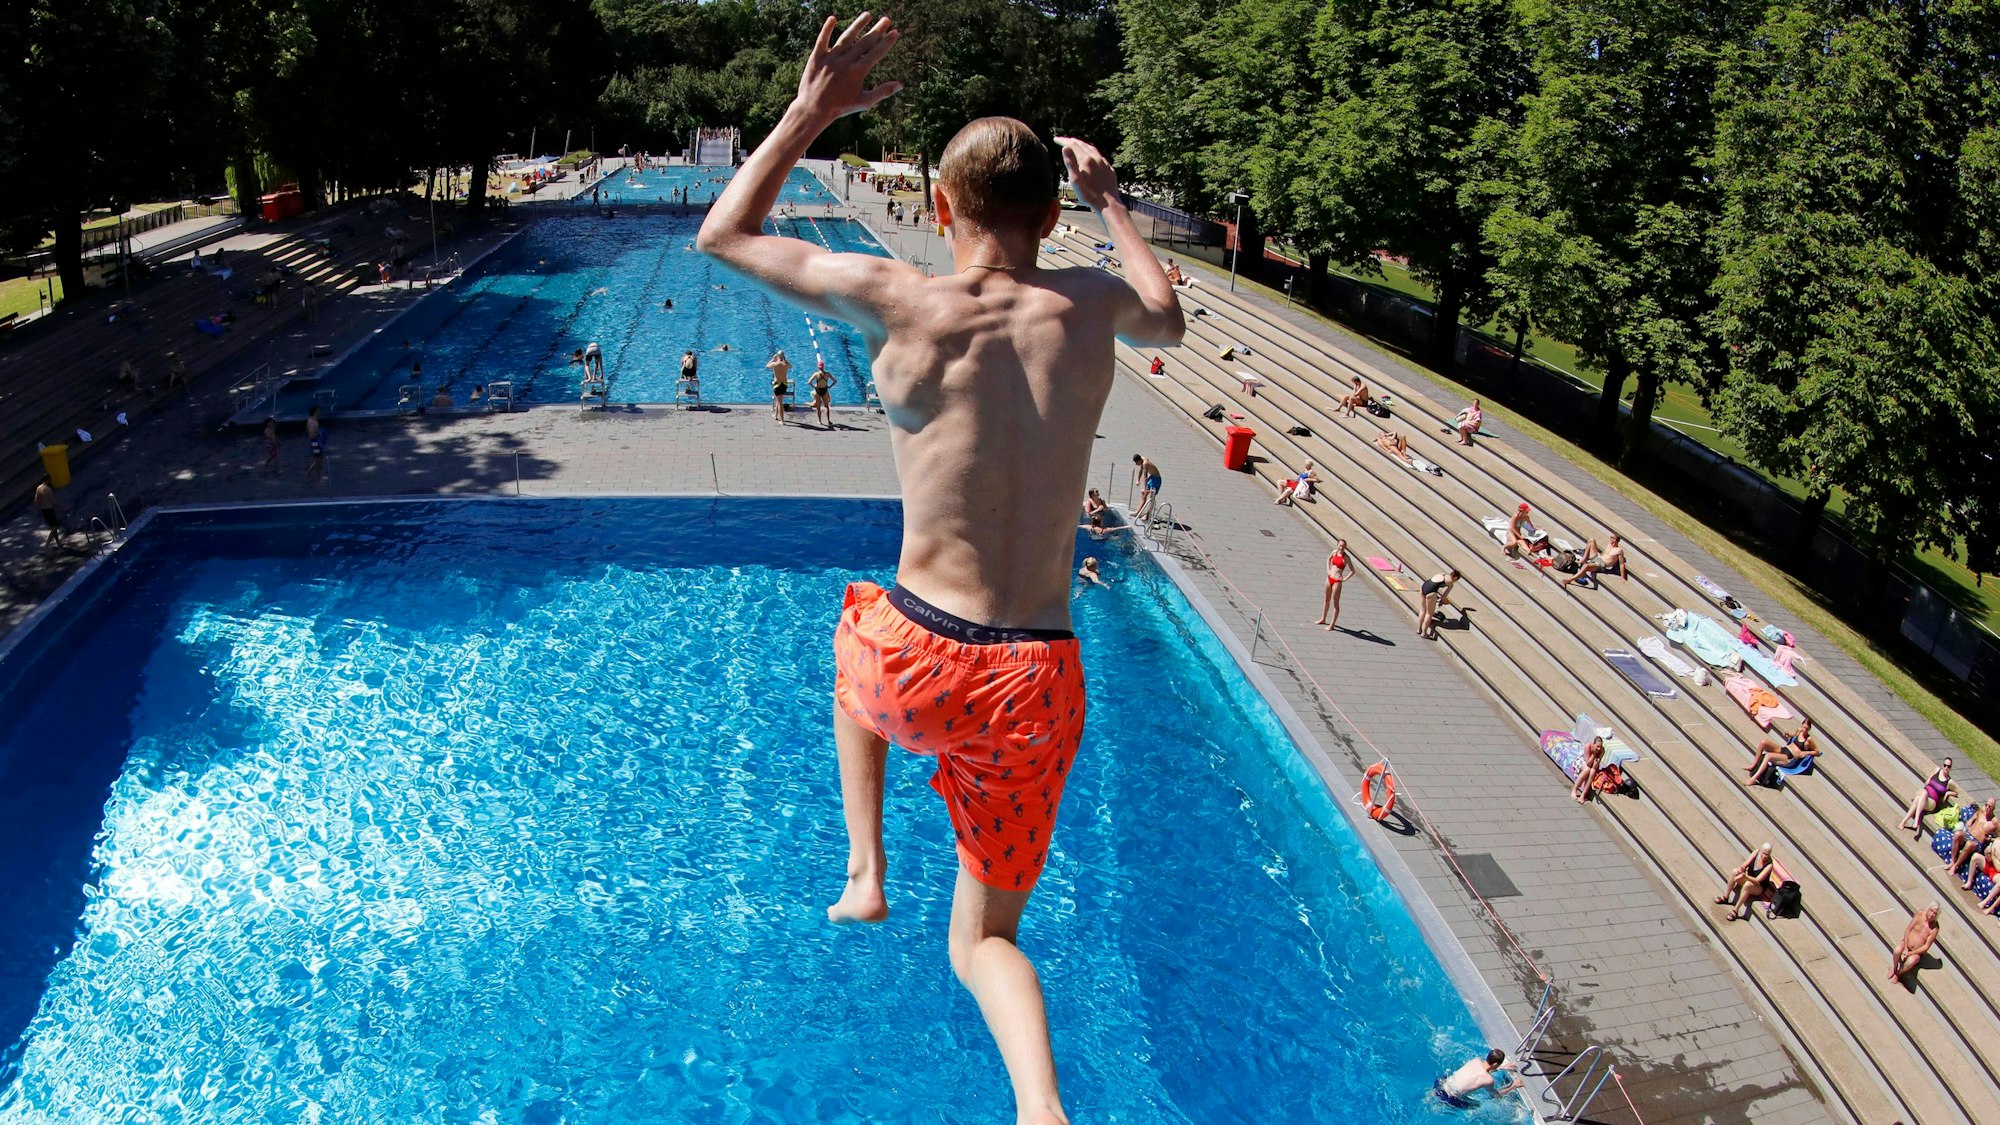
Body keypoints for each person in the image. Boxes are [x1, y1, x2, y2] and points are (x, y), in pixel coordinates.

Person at [696, 18, 1183, 1120]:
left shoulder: (895, 296)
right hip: (1033, 680)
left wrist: (813, 111)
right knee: (986, 939)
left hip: (912, 658)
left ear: (940, 208)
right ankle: (1040, 1110)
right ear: (1051, 216)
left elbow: (722, 236)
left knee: (855, 634)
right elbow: (1171, 317)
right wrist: (1112, 199)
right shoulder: (1090, 304)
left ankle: (864, 871)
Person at [1435, 1049, 1522, 1108]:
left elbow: (1482, 1070)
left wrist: (1502, 1067)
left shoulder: (1476, 1060)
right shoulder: (1488, 1080)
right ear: (1495, 1064)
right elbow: (1496, 1095)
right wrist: (1513, 1085)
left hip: (1440, 1085)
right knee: (1478, 1106)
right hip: (1450, 1098)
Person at [1745, 718, 1819, 787]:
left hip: (1789, 758)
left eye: (1807, 729)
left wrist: (1806, 753)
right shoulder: (1799, 731)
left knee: (1768, 756)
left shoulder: (1809, 739)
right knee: (1763, 742)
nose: (1804, 730)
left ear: (1809, 729)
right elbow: (1793, 735)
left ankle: (1754, 779)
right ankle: (1753, 765)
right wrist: (1788, 734)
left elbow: (1817, 751)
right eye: (1804, 727)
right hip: (1784, 750)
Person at [1899, 758, 1961, 839]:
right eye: (1945, 765)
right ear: (1942, 765)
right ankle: (1910, 822)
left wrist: (1948, 793)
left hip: (1932, 802)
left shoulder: (1949, 781)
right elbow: (1927, 781)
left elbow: (1957, 792)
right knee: (1922, 794)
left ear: (1950, 768)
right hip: (1924, 793)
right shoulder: (1936, 770)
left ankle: (1905, 822)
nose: (1946, 768)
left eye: (1948, 766)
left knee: (1919, 798)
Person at [1715, 843, 1778, 920]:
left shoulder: (1769, 865)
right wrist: (1741, 869)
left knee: (1748, 885)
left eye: (1767, 855)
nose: (1764, 856)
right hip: (1749, 878)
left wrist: (1745, 876)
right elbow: (1745, 864)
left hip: (1758, 886)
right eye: (1763, 853)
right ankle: (1725, 897)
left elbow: (1757, 880)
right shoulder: (1756, 852)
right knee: (1735, 872)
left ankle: (1735, 910)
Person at [1950, 797, 1999, 887]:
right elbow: (1976, 814)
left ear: (1993, 808)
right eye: (1986, 805)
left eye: (1990, 806)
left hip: (1977, 843)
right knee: (1957, 834)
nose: (1987, 807)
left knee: (1969, 845)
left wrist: (1991, 839)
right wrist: (1971, 820)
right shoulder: (1982, 810)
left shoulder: (1995, 822)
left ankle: (1955, 866)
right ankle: (1952, 861)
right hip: (1968, 834)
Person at [1887, 904, 1940, 983]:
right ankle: (1894, 969)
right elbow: (1908, 929)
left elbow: (1926, 946)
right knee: (1897, 950)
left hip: (1916, 952)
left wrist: (1911, 953)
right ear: (1928, 909)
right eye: (1931, 911)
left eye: (1935, 913)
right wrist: (1905, 948)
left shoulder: (1935, 928)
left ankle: (1898, 973)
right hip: (1906, 943)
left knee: (1911, 962)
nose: (1932, 914)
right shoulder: (1920, 914)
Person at [1561, 534, 1628, 587]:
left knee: (1586, 566)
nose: (1610, 539)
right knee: (1591, 540)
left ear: (1616, 540)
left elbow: (1621, 564)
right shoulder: (1609, 545)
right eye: (1610, 537)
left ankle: (1570, 580)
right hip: (1598, 558)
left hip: (1601, 564)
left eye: (1612, 538)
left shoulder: (1619, 550)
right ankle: (1584, 559)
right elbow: (1605, 554)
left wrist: (1623, 577)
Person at [1317, 538, 1353, 630]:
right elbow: (1328, 559)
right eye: (1340, 545)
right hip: (1329, 578)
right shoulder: (1334, 552)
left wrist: (1344, 578)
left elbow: (1352, 571)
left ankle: (1332, 624)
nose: (1341, 548)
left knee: (1335, 603)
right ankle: (1323, 618)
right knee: (1326, 600)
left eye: (1343, 546)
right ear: (1337, 545)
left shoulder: (1346, 558)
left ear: (1345, 547)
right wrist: (1328, 569)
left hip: (1337, 580)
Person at [1417, 569, 1459, 639]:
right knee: (1429, 614)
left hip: (1424, 586)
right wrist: (1441, 601)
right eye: (1456, 580)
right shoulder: (1451, 583)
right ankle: (1424, 633)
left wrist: (1436, 597)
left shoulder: (1443, 574)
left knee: (1423, 610)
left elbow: (1434, 584)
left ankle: (1418, 629)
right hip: (1431, 592)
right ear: (1455, 578)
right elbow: (1444, 596)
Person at [1571, 735, 1607, 803]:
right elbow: (1588, 763)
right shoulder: (1588, 746)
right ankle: (1574, 790)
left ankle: (1583, 795)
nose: (1599, 748)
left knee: (1592, 772)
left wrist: (1596, 762)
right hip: (1582, 760)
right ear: (1593, 744)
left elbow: (1595, 766)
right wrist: (1593, 754)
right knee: (1587, 769)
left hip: (1591, 763)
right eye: (1597, 746)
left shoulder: (1602, 750)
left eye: (1600, 746)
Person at [1132, 453, 1163, 521]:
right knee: (1144, 496)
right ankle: (1137, 512)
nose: (1136, 464)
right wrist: (1137, 479)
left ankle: (1148, 516)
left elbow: (1145, 477)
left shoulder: (1145, 463)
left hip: (1156, 480)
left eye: (1136, 463)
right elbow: (1140, 470)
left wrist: (1145, 488)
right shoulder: (1142, 459)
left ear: (1139, 460)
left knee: (1151, 498)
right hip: (1152, 478)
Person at [809, 357, 837, 426]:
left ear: (818, 367)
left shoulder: (816, 374)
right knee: (826, 406)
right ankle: (828, 421)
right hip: (824, 390)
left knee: (818, 407)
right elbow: (835, 381)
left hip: (817, 390)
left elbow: (809, 382)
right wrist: (830, 386)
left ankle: (820, 421)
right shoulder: (827, 374)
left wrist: (814, 386)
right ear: (823, 367)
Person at [768, 349, 793, 423]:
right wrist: (785, 360)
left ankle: (782, 420)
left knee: (780, 402)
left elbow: (767, 366)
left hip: (777, 385)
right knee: (778, 400)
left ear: (778, 356)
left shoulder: (775, 364)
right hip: (784, 384)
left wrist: (773, 359)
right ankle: (776, 415)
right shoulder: (785, 364)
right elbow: (791, 366)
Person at [32, 479, 59, 548]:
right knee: (54, 527)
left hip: (43, 510)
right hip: (49, 509)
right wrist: (61, 506)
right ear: (47, 480)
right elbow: (52, 501)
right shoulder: (48, 489)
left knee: (53, 528)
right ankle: (47, 545)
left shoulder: (38, 488)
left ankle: (58, 543)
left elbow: (36, 501)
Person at [305, 405, 325, 480]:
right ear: (314, 412)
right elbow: (310, 432)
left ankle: (310, 473)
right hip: (314, 442)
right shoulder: (312, 421)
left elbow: (308, 430)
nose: (319, 412)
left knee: (319, 458)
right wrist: (318, 435)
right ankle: (318, 476)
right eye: (317, 411)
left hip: (314, 441)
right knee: (318, 459)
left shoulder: (311, 419)